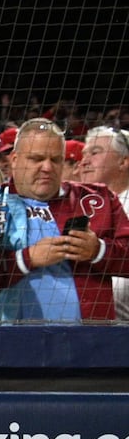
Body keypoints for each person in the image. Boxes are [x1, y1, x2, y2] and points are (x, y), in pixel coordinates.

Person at [0, 118, 129, 322]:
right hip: (7, 341)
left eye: (56, 160)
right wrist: (26, 258)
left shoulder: (98, 199)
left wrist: (98, 251)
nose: (47, 167)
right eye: (36, 159)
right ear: (14, 160)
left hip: (91, 340)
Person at [77, 126, 129, 317]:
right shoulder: (76, 206)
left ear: (123, 162)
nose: (84, 161)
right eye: (83, 154)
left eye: (95, 152)